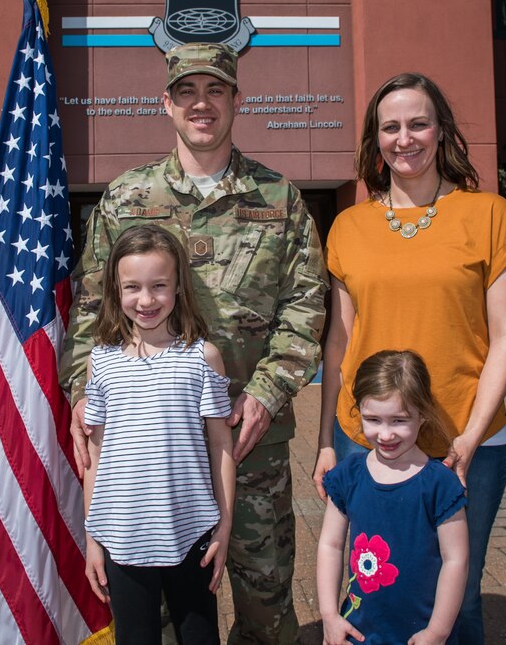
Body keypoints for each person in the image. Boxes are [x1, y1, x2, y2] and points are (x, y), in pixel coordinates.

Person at [61, 42, 329, 644]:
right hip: (146, 452)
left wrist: (265, 393)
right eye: (187, 91)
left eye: (215, 90)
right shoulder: (125, 198)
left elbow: (306, 307)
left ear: (237, 99)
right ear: (167, 103)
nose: (200, 104)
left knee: (264, 606)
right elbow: (89, 311)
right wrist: (83, 392)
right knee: (150, 617)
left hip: (248, 439)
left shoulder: (279, 200)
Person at [312, 72, 506, 644]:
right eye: (391, 127)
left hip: (469, 440)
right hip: (367, 439)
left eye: (418, 123)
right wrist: (323, 443)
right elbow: (338, 345)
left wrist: (468, 435)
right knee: (371, 583)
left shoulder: (489, 216)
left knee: (456, 596)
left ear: (442, 132)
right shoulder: (348, 226)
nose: (404, 138)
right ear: (375, 139)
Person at [83, 225, 234, 644]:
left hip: (192, 536)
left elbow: (222, 446)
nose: (146, 300)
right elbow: (94, 456)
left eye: (159, 286)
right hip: (122, 540)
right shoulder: (101, 362)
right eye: (132, 287)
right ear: (116, 289)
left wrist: (223, 528)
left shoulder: (203, 357)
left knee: (200, 636)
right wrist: (92, 539)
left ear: (179, 288)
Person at [317, 350, 469, 645]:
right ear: (357, 411)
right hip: (360, 630)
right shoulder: (348, 475)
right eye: (372, 419)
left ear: (423, 414)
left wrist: (437, 632)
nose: (385, 434)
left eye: (399, 420)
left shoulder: (440, 484)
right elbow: (331, 544)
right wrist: (329, 616)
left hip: (422, 634)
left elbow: (456, 560)